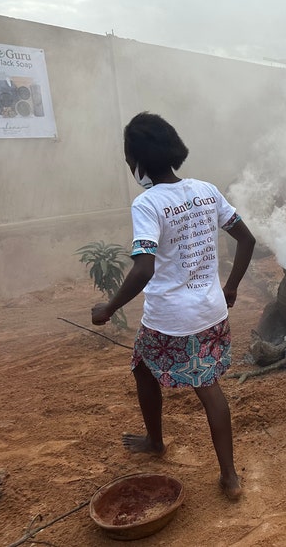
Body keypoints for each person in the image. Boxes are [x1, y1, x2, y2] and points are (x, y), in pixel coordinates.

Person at [91, 112, 256, 500]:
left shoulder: (148, 204)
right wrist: (229, 288)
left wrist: (109, 307)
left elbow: (144, 268)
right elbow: (247, 240)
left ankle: (160, 444)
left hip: (171, 319)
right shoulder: (206, 190)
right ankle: (226, 476)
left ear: (139, 161)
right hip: (211, 310)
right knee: (194, 383)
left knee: (150, 370)